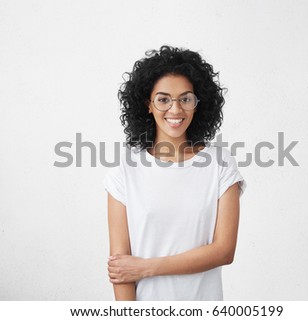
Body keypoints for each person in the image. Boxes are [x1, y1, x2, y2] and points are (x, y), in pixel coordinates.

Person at [103, 45, 246, 301]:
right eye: (163, 99)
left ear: (197, 104)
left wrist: (147, 267)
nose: (175, 109)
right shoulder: (124, 172)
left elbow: (224, 251)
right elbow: (121, 268)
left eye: (185, 98)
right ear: (148, 104)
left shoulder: (220, 165)